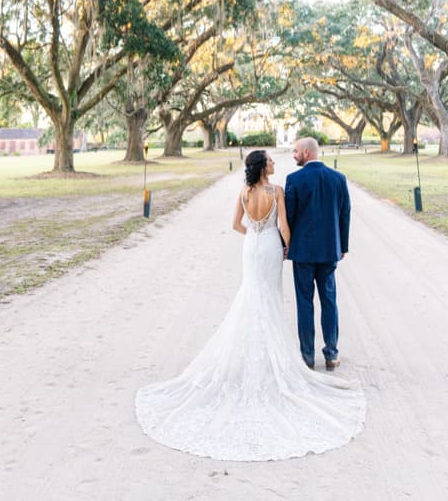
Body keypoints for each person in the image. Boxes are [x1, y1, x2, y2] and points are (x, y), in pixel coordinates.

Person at [135, 150, 365, 461]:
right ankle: (284, 357)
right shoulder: (276, 191)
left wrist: (254, 236)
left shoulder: (244, 192)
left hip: (252, 247)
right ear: (263, 167)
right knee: (268, 299)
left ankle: (252, 356)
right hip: (269, 246)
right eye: (270, 160)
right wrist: (283, 246)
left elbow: (235, 224)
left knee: (251, 296)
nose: (274, 163)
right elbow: (284, 226)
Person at [284, 137, 351, 371]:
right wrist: (342, 246)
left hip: (302, 252)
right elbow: (345, 214)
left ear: (306, 152)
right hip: (329, 250)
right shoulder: (338, 178)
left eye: (295, 151)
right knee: (329, 300)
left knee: (305, 302)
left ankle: (307, 357)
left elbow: (289, 217)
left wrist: (286, 245)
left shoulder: (294, 180)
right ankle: (331, 354)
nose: (293, 155)